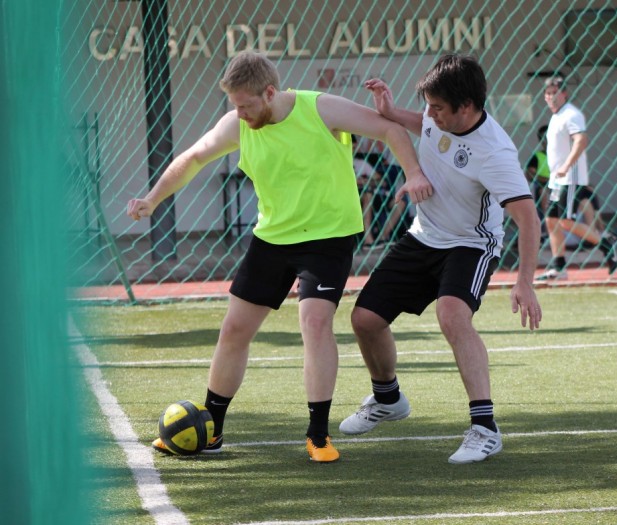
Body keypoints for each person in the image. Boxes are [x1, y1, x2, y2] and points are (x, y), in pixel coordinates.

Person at [126, 51, 433, 462]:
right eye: (234, 105)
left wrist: (413, 173)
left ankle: (318, 436)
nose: (239, 113)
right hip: (272, 238)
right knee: (234, 328)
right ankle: (212, 428)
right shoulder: (238, 123)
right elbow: (195, 156)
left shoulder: (321, 108)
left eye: (246, 105)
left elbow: (390, 130)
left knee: (314, 322)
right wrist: (152, 199)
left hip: (328, 237)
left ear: (269, 92)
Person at [338, 54, 542, 464]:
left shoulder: (495, 153)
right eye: (427, 105)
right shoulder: (440, 118)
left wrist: (525, 281)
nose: (429, 115)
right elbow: (424, 127)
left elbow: (528, 218)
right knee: (365, 319)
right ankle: (388, 399)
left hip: (471, 244)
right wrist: (392, 112)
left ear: (466, 107)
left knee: (452, 316)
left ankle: (485, 428)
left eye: (437, 108)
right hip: (423, 236)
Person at [537, 76, 617, 280]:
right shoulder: (556, 116)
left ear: (564, 93)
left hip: (570, 178)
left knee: (564, 220)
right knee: (551, 220)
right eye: (547, 93)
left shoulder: (571, 114)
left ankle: (606, 243)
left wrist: (566, 166)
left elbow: (580, 141)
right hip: (557, 178)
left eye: (554, 92)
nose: (550, 97)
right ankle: (558, 265)